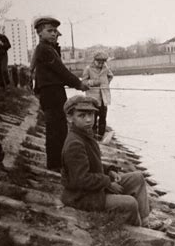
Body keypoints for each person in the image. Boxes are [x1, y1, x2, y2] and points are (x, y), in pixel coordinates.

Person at [61, 95, 150, 226]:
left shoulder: (84, 135)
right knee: (130, 203)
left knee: (137, 178)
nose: (88, 120)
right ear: (70, 118)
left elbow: (90, 163)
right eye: (82, 115)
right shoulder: (75, 143)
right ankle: (137, 228)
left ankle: (145, 221)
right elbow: (80, 180)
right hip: (81, 197)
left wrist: (109, 171)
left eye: (91, 114)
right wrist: (107, 182)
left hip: (92, 190)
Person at [33, 17, 89, 171]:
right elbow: (61, 71)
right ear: (39, 33)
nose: (54, 34)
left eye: (55, 32)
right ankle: (55, 164)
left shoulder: (48, 48)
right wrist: (79, 84)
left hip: (53, 91)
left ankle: (57, 162)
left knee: (59, 128)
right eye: (49, 31)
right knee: (55, 130)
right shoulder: (44, 49)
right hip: (51, 93)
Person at [81, 53, 114, 139]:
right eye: (99, 62)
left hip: (104, 97)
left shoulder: (105, 68)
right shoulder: (88, 69)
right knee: (93, 118)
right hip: (93, 99)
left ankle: (101, 136)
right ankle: (92, 137)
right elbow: (83, 82)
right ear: (94, 61)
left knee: (103, 118)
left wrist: (106, 84)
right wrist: (93, 83)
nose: (101, 64)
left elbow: (111, 76)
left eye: (102, 62)